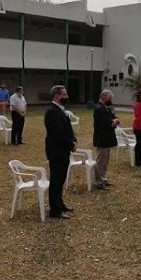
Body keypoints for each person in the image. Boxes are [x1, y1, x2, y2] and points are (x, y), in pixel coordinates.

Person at [44, 85, 77, 219]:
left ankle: (60, 204)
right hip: (57, 151)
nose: (66, 97)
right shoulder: (52, 112)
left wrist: (74, 140)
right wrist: (71, 144)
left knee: (61, 179)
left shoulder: (60, 110)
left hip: (63, 150)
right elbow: (58, 133)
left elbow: (67, 130)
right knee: (56, 181)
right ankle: (55, 210)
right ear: (57, 96)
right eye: (64, 94)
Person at [93, 90, 120, 189]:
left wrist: (116, 120)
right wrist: (114, 121)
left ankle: (103, 178)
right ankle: (99, 182)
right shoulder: (99, 109)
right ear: (104, 97)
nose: (111, 100)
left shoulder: (106, 108)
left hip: (107, 138)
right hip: (102, 138)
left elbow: (114, 117)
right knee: (101, 160)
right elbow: (108, 123)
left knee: (105, 160)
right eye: (110, 98)